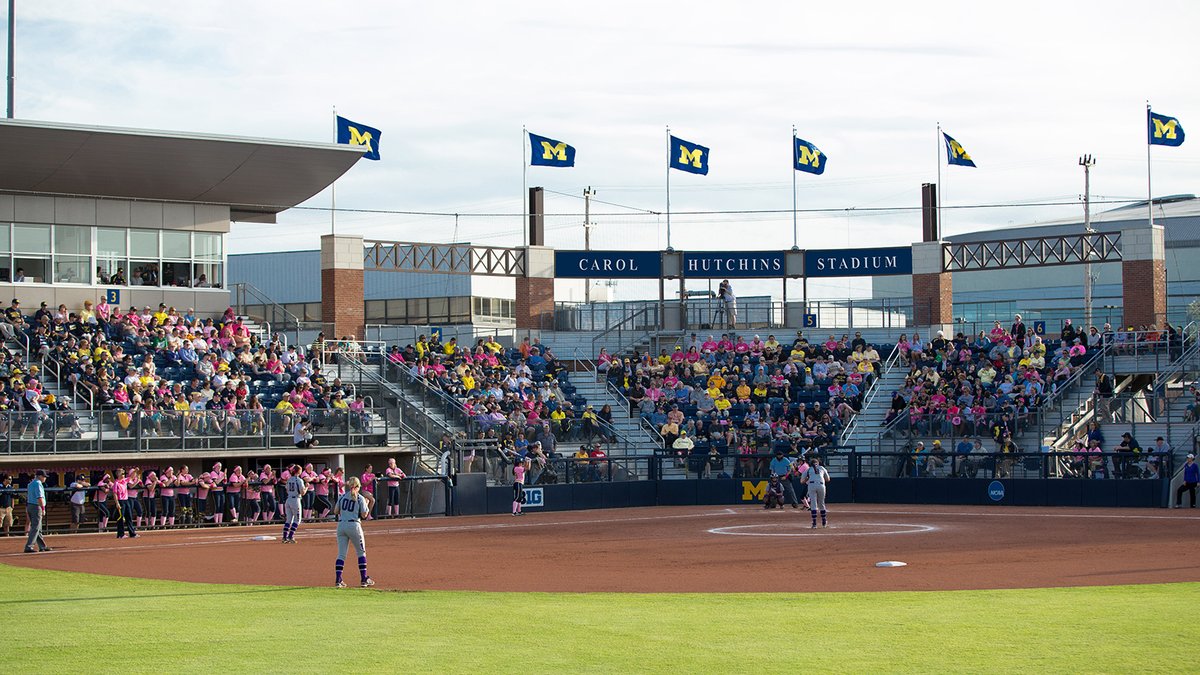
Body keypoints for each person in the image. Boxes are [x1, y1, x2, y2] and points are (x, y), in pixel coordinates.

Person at [333, 476, 376, 588]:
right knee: (361, 552)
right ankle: (363, 579)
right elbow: (364, 515)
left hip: (341, 525)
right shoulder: (360, 498)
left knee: (341, 554)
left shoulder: (342, 497)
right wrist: (366, 504)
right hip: (354, 525)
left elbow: (336, 511)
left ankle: (338, 580)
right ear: (357, 486)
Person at [800, 455, 831, 529]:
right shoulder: (822, 468)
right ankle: (824, 521)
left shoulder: (808, 470)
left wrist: (808, 478)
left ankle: (814, 523)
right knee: (821, 503)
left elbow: (802, 481)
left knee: (813, 504)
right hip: (821, 485)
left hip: (811, 485)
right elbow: (828, 479)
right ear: (818, 463)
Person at [24, 469, 51, 553]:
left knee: (38, 527)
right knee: (35, 527)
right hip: (36, 506)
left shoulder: (30, 484)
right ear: (39, 476)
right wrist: (43, 509)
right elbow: (39, 497)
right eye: (44, 476)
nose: (45, 478)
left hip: (30, 505)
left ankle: (42, 546)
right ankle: (29, 546)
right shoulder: (38, 484)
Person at [281, 463, 306, 543]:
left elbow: (287, 489)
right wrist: (307, 487)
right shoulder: (299, 480)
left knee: (288, 519)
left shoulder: (289, 479)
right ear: (298, 471)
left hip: (288, 499)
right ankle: (290, 536)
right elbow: (302, 492)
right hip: (295, 500)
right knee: (297, 520)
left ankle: (284, 537)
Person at [112, 468, 139, 539]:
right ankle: (120, 534)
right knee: (120, 518)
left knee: (129, 517)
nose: (123, 475)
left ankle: (132, 533)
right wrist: (117, 503)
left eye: (124, 474)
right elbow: (114, 494)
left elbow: (131, 477)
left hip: (126, 500)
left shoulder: (124, 481)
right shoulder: (116, 483)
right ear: (118, 475)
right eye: (122, 474)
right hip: (121, 501)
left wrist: (135, 471)